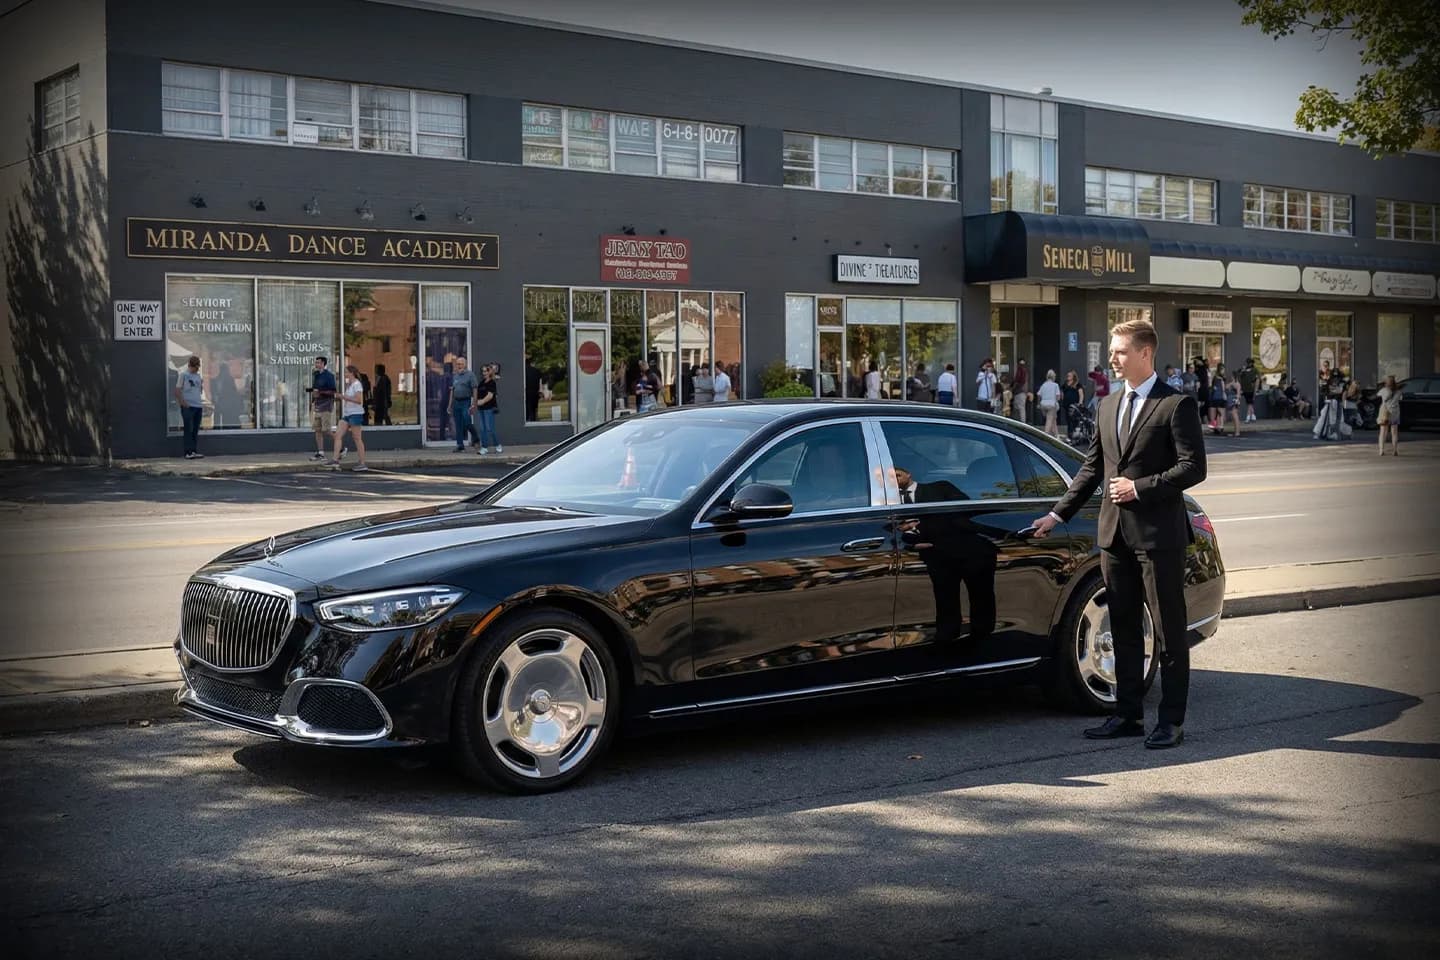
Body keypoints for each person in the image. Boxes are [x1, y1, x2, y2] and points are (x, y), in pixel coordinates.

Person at [1031, 317, 1206, 750]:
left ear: (1145, 353)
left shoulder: (1175, 405)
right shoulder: (1107, 405)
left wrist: (1139, 488)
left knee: (1167, 631)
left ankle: (1171, 722)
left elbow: (1193, 468)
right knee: (1124, 627)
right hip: (1114, 537)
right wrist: (1057, 514)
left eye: (1120, 351)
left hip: (1158, 537)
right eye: (1112, 351)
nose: (1112, 358)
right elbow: (1092, 468)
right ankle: (1127, 714)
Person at [893, 464, 997, 645]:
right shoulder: (890, 501)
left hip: (968, 550)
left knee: (980, 595)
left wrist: (921, 524)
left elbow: (964, 511)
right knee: (944, 599)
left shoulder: (939, 487)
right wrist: (911, 543)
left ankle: (985, 640)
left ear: (909, 474)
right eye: (890, 478)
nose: (894, 479)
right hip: (933, 556)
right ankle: (948, 640)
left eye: (898, 474)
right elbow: (891, 531)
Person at [328, 365, 368, 471]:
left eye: (346, 372)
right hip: (347, 414)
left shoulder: (357, 384)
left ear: (352, 373)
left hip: (356, 414)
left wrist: (343, 397)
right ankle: (335, 459)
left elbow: (359, 400)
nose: (344, 374)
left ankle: (362, 463)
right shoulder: (349, 385)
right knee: (338, 435)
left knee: (357, 438)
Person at [174, 354, 205, 459]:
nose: (196, 369)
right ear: (190, 366)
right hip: (188, 406)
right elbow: (177, 390)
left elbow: (199, 390)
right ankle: (187, 452)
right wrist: (183, 402)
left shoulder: (198, 376)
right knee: (188, 429)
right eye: (195, 367)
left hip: (198, 406)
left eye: (198, 367)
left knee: (195, 429)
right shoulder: (183, 375)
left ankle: (194, 451)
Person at [306, 356, 337, 461]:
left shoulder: (329, 376)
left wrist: (320, 393)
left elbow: (333, 391)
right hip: (318, 405)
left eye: (318, 363)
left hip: (326, 405)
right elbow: (316, 389)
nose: (316, 364)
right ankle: (320, 452)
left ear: (323, 364)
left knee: (326, 430)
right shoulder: (316, 375)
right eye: (316, 362)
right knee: (317, 430)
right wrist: (312, 393)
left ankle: (341, 448)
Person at [448, 356, 479, 451]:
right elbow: (452, 391)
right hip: (456, 402)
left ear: (465, 365)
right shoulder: (455, 376)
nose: (459, 366)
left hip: (466, 401)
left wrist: (474, 404)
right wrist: (449, 405)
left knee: (467, 422)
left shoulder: (470, 375)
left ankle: (476, 438)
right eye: (457, 364)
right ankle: (460, 445)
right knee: (458, 424)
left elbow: (475, 389)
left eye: (461, 364)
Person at [474, 363, 502, 454]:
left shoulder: (492, 383)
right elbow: (478, 395)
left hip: (489, 409)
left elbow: (490, 396)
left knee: (490, 428)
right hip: (481, 409)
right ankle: (484, 448)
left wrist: (481, 401)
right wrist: (474, 404)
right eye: (483, 371)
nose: (484, 373)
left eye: (486, 371)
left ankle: (498, 445)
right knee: (482, 429)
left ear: (490, 372)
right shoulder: (482, 383)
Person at [1376, 375, 1401, 456]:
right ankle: (1395, 450)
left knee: (1383, 432)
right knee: (1394, 432)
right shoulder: (1398, 392)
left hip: (1385, 412)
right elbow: (1400, 399)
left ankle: (1381, 450)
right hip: (1394, 413)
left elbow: (1377, 395)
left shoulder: (1383, 390)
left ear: (1386, 383)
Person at [1037, 368, 1062, 437]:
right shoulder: (1055, 385)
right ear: (1054, 377)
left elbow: (1039, 394)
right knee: (1049, 420)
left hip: (1043, 404)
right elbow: (1058, 396)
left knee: (1053, 420)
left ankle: (1056, 435)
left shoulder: (1043, 385)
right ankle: (1046, 435)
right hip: (1051, 404)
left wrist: (1038, 404)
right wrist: (1056, 402)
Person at [1223, 369, 1243, 438]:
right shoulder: (1232, 383)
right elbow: (1226, 387)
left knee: (1235, 416)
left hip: (1234, 401)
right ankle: (1236, 431)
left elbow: (1238, 394)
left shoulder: (1237, 384)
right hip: (1231, 400)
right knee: (1234, 417)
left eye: (1232, 376)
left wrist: (1236, 402)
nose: (1231, 377)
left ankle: (1237, 432)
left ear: (1234, 376)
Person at [1239, 358, 1259, 423]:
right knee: (1249, 403)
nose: (1248, 364)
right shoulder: (1244, 370)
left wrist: (1256, 389)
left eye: (1250, 362)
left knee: (1250, 403)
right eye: (1248, 362)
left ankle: (1247, 417)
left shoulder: (1255, 370)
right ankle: (1253, 416)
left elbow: (1257, 379)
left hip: (1251, 389)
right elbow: (1239, 376)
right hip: (1245, 389)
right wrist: (1242, 370)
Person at [524, 355, 541, 422]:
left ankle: (527, 420)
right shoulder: (536, 371)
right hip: (535, 393)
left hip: (526, 392)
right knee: (533, 410)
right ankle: (533, 421)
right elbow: (539, 382)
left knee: (526, 410)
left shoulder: (523, 371)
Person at [1012, 359, 1030, 423]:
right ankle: (1021, 422)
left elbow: (1017, 380)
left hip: (1019, 391)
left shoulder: (1020, 370)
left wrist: (1012, 388)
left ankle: (1021, 423)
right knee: (1021, 408)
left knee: (1019, 408)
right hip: (1023, 392)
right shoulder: (1025, 371)